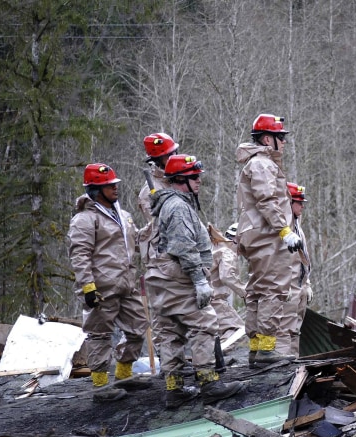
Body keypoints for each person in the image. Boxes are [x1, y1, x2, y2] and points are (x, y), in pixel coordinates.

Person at [147, 154, 244, 409]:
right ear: (180, 180)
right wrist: (200, 280)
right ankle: (209, 382)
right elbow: (185, 248)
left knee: (170, 331)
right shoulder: (178, 208)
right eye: (194, 177)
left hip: (162, 274)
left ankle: (174, 388)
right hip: (178, 273)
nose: (199, 181)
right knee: (204, 323)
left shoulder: (170, 204)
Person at [67, 163, 151, 402]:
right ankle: (101, 386)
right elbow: (80, 255)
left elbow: (132, 247)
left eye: (114, 184)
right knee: (100, 335)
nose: (115, 188)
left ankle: (124, 375)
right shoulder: (85, 220)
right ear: (95, 190)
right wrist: (88, 287)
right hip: (101, 287)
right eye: (109, 185)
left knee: (137, 326)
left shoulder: (123, 216)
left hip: (126, 283)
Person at [235, 114, 302, 366]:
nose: (283, 142)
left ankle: (257, 348)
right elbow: (267, 200)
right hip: (267, 234)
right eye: (280, 137)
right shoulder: (262, 164)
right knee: (273, 289)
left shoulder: (258, 163)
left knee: (257, 290)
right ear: (267, 139)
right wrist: (284, 231)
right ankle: (266, 350)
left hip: (257, 234)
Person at [138, 133, 180, 350]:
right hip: (162, 261)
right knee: (165, 320)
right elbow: (161, 226)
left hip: (180, 259)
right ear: (158, 160)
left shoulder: (177, 182)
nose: (174, 157)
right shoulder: (150, 191)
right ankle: (169, 370)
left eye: (175, 152)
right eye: (169, 155)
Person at [278, 182, 312, 358]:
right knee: (285, 329)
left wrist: (307, 284)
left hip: (299, 286)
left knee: (295, 330)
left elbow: (303, 257)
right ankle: (284, 369)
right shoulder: (282, 228)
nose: (302, 206)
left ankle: (294, 368)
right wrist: (284, 285)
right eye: (298, 202)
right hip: (288, 286)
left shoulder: (297, 226)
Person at [207, 223, 246, 346]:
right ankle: (216, 359)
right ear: (237, 240)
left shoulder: (214, 249)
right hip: (214, 301)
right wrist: (245, 292)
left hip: (202, 301)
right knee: (237, 330)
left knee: (208, 335)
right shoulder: (227, 252)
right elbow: (227, 276)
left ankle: (208, 359)